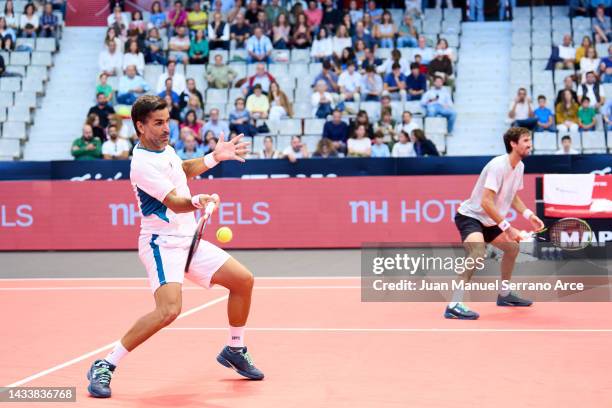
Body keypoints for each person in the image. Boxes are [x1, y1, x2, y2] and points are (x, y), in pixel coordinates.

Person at [86, 95, 264, 399]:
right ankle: (105, 364)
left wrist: (213, 157)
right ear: (140, 126)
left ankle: (235, 349)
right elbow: (175, 203)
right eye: (158, 123)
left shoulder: (164, 148)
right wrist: (198, 201)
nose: (166, 128)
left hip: (187, 240)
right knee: (169, 310)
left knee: (243, 281)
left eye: (167, 121)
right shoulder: (140, 164)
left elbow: (181, 169)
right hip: (161, 244)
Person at [448, 127, 544, 320]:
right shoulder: (497, 166)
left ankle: (504, 294)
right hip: (471, 216)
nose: (529, 144)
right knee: (477, 252)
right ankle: (454, 304)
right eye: (525, 140)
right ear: (513, 144)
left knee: (512, 249)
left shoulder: (520, 167)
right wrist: (507, 227)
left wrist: (528, 214)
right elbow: (486, 201)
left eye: (530, 140)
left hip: (490, 219)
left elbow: (512, 195)